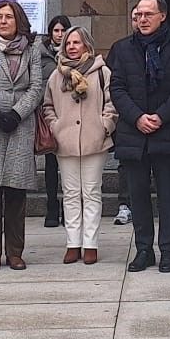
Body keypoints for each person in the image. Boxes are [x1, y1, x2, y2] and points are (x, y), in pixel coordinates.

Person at [108, 0, 170, 273]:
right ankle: (143, 249)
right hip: (133, 133)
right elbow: (117, 88)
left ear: (162, 16)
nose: (142, 19)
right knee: (137, 196)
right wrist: (137, 117)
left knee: (168, 197)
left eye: (148, 14)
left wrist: (160, 116)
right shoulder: (122, 48)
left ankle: (167, 251)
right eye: (138, 15)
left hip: (167, 131)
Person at [0, 0, 46, 272]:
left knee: (16, 194)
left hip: (20, 126)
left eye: (9, 17)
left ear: (19, 21)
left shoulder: (32, 49)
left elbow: (36, 87)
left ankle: (15, 252)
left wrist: (16, 113)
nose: (3, 21)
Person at [42, 25, 116, 264]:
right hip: (65, 142)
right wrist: (55, 127)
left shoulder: (102, 71)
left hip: (95, 140)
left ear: (86, 45)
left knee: (92, 192)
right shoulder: (57, 75)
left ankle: (90, 243)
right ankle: (73, 243)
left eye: (76, 42)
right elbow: (47, 106)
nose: (72, 47)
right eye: (68, 43)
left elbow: (111, 103)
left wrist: (105, 125)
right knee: (71, 193)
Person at [41, 13, 73, 228]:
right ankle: (52, 206)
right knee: (51, 164)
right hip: (50, 115)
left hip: (72, 115)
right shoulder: (41, 55)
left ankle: (71, 208)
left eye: (63, 30)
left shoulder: (76, 53)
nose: (60, 35)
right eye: (56, 30)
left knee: (71, 164)